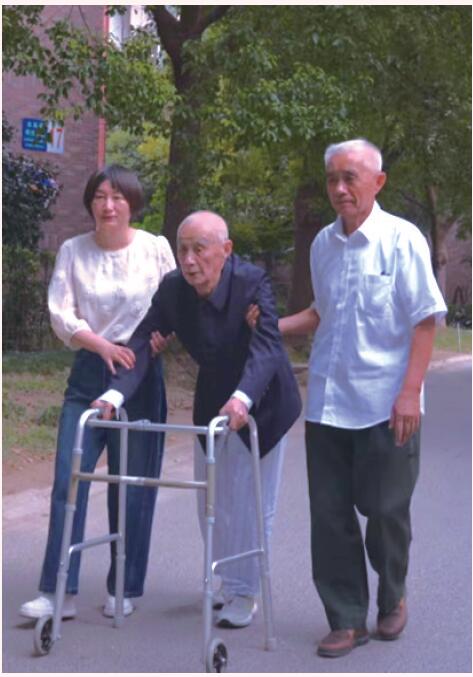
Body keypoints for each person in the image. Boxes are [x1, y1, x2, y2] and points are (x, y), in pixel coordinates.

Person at [93, 210, 302, 628]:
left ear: (226, 250)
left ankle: (246, 590)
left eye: (199, 249)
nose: (189, 260)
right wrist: (114, 395)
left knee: (252, 502)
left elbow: (267, 346)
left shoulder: (252, 282)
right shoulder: (174, 289)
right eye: (183, 249)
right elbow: (142, 341)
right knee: (212, 500)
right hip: (213, 397)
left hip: (263, 399)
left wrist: (243, 398)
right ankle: (227, 577)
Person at [279, 139, 447, 658]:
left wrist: (410, 393)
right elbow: (321, 312)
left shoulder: (402, 240)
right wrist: (268, 328)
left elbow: (424, 320)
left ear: (378, 182)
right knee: (329, 517)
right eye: (332, 178)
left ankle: (393, 592)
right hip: (329, 401)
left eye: (350, 177)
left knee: (386, 510)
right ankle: (346, 618)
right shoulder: (323, 245)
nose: (339, 188)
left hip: (386, 404)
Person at [20, 165, 176, 621]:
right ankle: (57, 590)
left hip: (141, 371)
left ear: (133, 203)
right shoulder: (73, 250)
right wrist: (101, 345)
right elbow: (61, 313)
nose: (108, 206)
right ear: (90, 203)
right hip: (91, 369)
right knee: (69, 477)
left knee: (133, 485)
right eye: (100, 197)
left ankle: (124, 586)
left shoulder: (155, 248)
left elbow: (175, 304)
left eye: (118, 197)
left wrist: (162, 337)